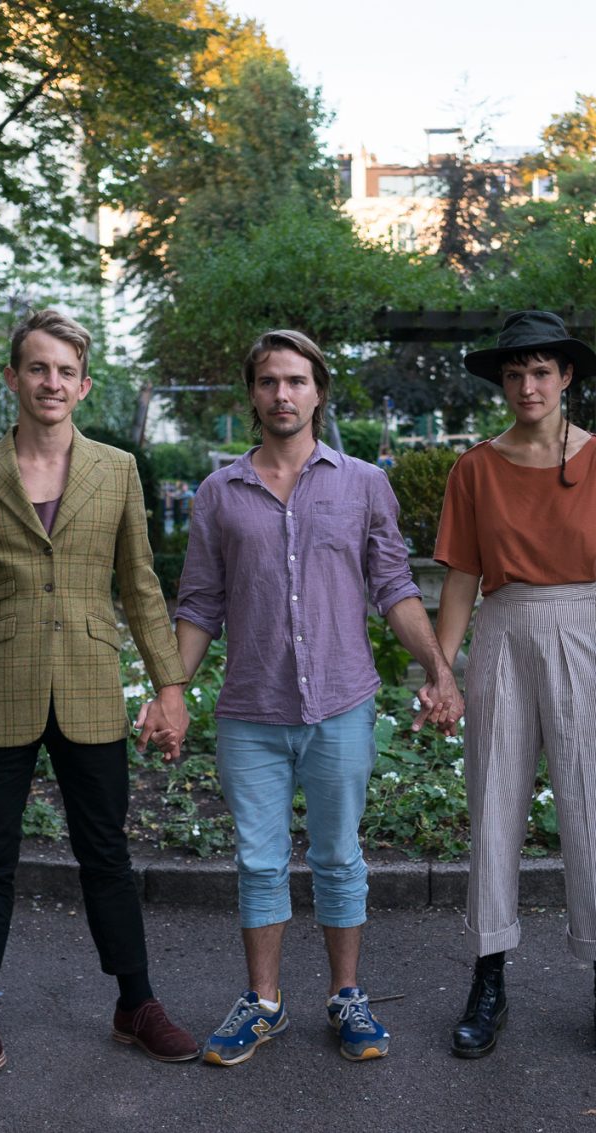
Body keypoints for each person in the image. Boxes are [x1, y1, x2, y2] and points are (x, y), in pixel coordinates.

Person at [0, 309, 198, 1113]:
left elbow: (139, 583)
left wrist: (168, 685)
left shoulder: (117, 469)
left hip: (89, 687)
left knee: (106, 852)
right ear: (13, 377)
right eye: (37, 368)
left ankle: (135, 1005)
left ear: (84, 383)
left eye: (66, 371)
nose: (52, 383)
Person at [171, 328, 463, 1066]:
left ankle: (346, 995)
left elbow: (394, 586)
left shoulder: (363, 482)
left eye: (296, 381)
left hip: (341, 703)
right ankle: (264, 1004)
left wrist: (439, 667)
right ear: (252, 395)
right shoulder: (219, 492)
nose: (282, 394)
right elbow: (200, 603)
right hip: (250, 711)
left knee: (339, 855)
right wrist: (169, 691)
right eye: (269, 381)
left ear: (318, 391)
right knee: (259, 861)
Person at [430, 310, 596, 1063]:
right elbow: (460, 573)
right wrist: (441, 668)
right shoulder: (474, 469)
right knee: (492, 803)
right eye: (516, 372)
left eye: (543, 372)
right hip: (502, 626)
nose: (529, 385)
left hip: (582, 625)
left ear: (567, 378)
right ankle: (488, 977)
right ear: (503, 380)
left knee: (593, 803)